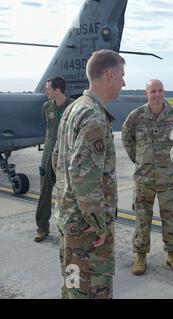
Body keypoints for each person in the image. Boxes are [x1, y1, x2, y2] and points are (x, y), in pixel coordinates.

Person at [52, 49, 125, 299]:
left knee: (73, 285)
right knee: (92, 291)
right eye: (122, 76)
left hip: (69, 220)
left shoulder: (74, 109)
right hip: (87, 233)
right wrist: (99, 224)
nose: (124, 82)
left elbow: (57, 161)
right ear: (110, 74)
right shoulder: (94, 116)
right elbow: (82, 176)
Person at [122, 79, 173, 275]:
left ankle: (172, 255)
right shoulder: (136, 116)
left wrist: (171, 160)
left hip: (168, 179)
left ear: (164, 92)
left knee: (170, 218)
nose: (157, 94)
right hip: (144, 179)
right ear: (146, 93)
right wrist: (139, 159)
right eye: (153, 91)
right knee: (142, 218)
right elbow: (127, 138)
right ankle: (140, 256)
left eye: (160, 91)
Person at [34, 77, 74, 242]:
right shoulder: (46, 107)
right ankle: (42, 228)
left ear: (57, 90)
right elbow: (49, 130)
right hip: (48, 154)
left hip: (66, 156)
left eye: (48, 88)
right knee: (44, 191)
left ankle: (67, 230)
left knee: (67, 194)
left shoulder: (73, 106)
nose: (46, 91)